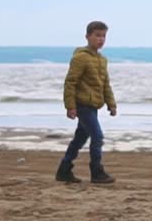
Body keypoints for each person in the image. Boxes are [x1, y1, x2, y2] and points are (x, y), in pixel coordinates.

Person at [56, 21, 117, 184]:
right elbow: (70, 82)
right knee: (97, 136)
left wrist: (112, 104)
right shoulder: (80, 57)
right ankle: (97, 172)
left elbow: (105, 84)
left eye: (103, 36)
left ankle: (64, 170)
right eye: (97, 35)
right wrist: (70, 106)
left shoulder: (102, 60)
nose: (101, 39)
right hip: (82, 105)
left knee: (79, 139)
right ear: (88, 36)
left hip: (94, 105)